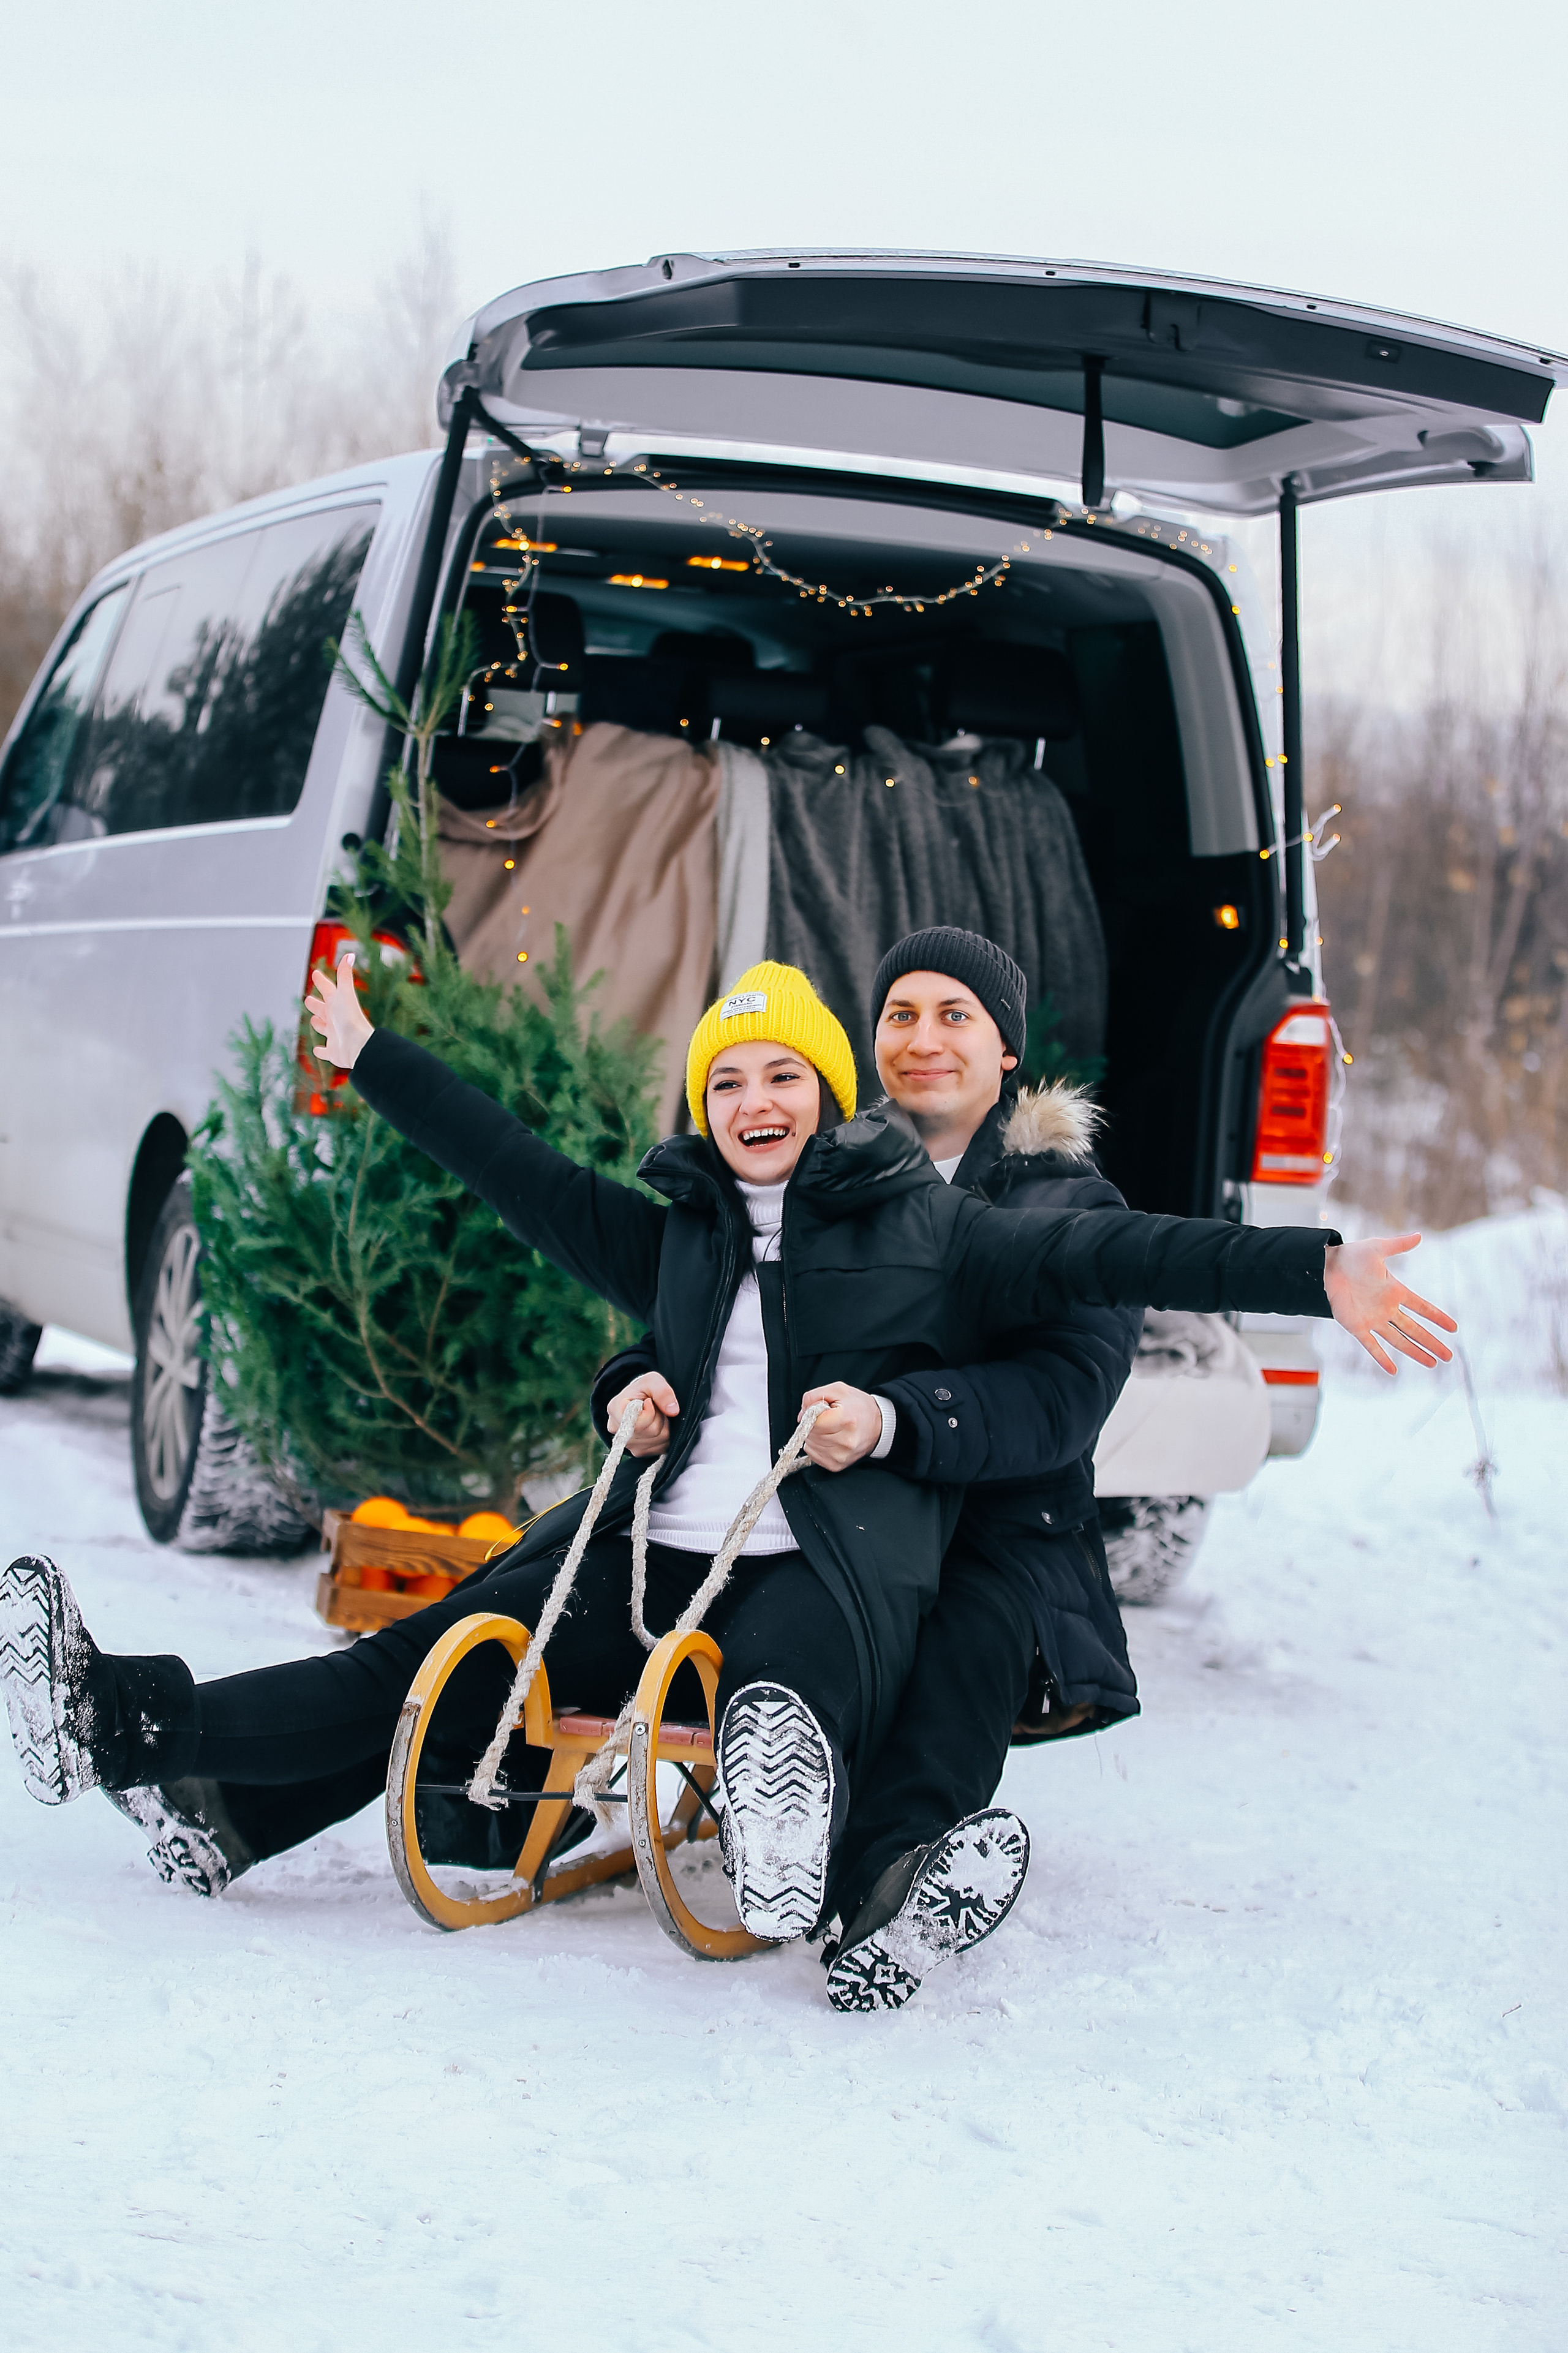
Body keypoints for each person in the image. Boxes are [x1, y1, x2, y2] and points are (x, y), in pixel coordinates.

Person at [2, 956, 1455, 1956]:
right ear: (703, 1105)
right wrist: (374, 1055)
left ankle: (791, 1845)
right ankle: (121, 1723)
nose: (755, 1099)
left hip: (814, 1552)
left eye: (784, 1074)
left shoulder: (932, 1231)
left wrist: (1309, 1265)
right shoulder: (678, 1234)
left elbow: (1112, 1244)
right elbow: (522, 1175)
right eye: (727, 1079)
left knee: (788, 1665)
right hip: (639, 1552)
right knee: (422, 1665)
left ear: (828, 1098)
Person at [590, 927, 1144, 2008]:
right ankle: (815, 1842)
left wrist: (899, 1418)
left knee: (965, 1645)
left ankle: (894, 1885)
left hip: (991, 1522)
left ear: (1008, 1053)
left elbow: (1063, 1398)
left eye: (955, 1016)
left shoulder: (1063, 1205)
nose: (923, 1038)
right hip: (845, 1510)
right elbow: (716, 1319)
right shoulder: (828, 1171)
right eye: (900, 1014)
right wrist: (638, 1369)